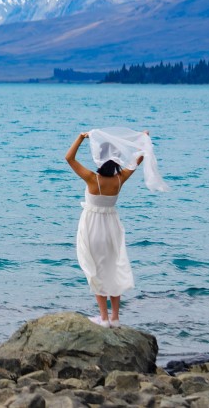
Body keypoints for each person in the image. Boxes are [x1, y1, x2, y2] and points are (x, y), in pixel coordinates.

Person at [64, 130, 149, 328]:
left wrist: (80, 137)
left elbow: (69, 158)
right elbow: (139, 157)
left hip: (92, 226)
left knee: (96, 270)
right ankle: (116, 319)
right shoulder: (121, 179)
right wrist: (143, 138)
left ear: (99, 159)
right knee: (113, 269)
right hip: (112, 226)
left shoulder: (92, 179)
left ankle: (103, 319)